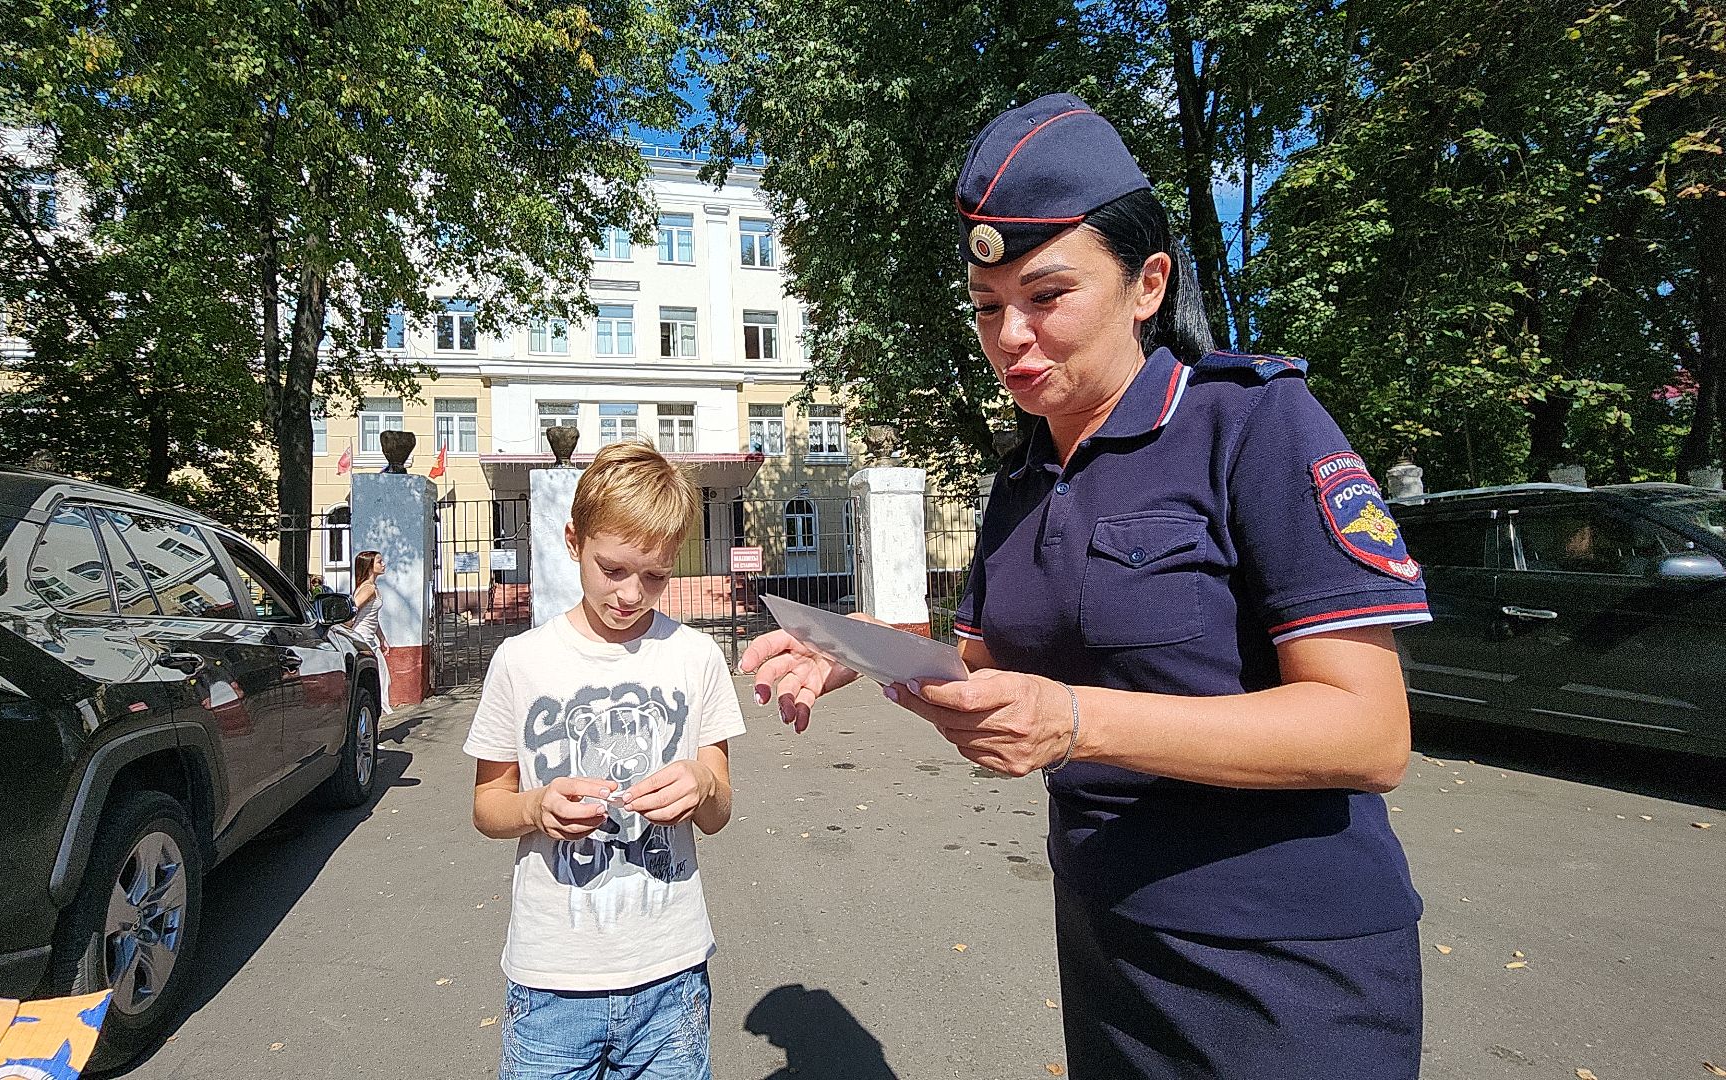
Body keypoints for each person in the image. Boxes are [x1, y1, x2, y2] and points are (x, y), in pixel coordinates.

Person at [741, 94, 1432, 1079]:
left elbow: (1369, 732)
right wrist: (856, 645)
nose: (1009, 335)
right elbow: (990, 654)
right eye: (988, 307)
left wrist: (1074, 724)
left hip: (1284, 973)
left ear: (1147, 284)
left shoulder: (1251, 425)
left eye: (1047, 295)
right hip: (1109, 953)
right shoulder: (1022, 479)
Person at [464, 439, 744, 1080]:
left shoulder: (694, 656)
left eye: (654, 576)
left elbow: (721, 806)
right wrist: (536, 805)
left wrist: (702, 783)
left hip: (671, 977)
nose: (630, 594)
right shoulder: (522, 661)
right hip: (551, 981)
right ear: (572, 540)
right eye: (612, 569)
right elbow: (487, 805)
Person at [350, 549, 386, 649]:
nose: (383, 564)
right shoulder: (368, 588)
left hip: (368, 640)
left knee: (380, 664)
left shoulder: (372, 586)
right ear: (369, 566)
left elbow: (371, 616)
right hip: (362, 640)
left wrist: (381, 638)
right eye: (379, 562)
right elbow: (352, 609)